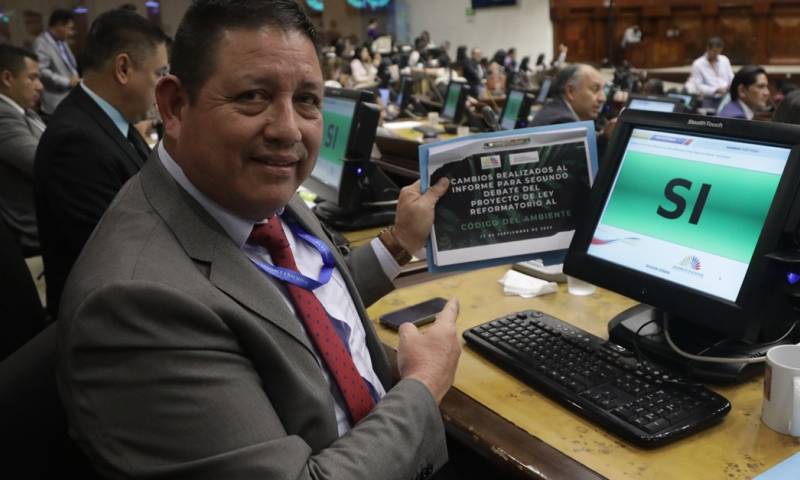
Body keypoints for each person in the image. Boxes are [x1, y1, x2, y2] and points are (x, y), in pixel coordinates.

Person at [56, 1, 461, 479]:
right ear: (175, 106)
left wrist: (396, 245)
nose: (288, 130)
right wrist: (422, 385)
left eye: (307, 100)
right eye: (253, 96)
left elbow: (286, 296)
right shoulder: (135, 304)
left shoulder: (241, 184)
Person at [35, 8, 168, 318]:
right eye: (159, 73)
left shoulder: (110, 122)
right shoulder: (75, 143)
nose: (163, 86)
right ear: (123, 68)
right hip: (105, 317)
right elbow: (123, 252)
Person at [0, 45, 45, 257]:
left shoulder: (25, 111)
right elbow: (43, 163)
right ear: (8, 78)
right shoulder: (3, 115)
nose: (40, 86)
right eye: (33, 78)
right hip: (32, 225)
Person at [32, 8, 79, 116]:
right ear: (59, 25)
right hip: (55, 101)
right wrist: (67, 81)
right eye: (69, 28)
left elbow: (70, 66)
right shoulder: (41, 43)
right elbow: (41, 71)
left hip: (69, 96)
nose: (72, 33)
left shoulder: (61, 41)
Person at [531, 63, 606, 126]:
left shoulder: (554, 109)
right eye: (595, 89)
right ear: (570, 91)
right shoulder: (564, 121)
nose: (603, 98)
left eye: (603, 90)